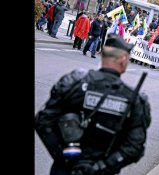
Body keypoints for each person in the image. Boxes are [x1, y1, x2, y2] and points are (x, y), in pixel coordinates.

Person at [35, 33, 152, 175]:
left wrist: (62, 156)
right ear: (123, 60)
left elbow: (43, 120)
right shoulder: (133, 99)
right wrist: (100, 167)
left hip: (66, 169)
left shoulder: (75, 83)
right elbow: (135, 147)